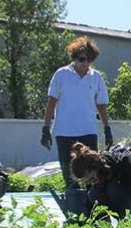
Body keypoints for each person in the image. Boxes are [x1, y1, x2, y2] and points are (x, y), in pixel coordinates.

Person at [42, 36, 112, 189]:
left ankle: (92, 208)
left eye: (89, 60)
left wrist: (107, 129)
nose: (85, 63)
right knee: (71, 179)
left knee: (93, 178)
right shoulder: (61, 75)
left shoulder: (96, 78)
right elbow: (51, 103)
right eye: (81, 59)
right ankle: (73, 207)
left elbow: (101, 105)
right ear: (74, 58)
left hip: (88, 132)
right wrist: (46, 129)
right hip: (65, 133)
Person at [69, 142, 131, 226]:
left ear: (96, 166)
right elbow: (90, 205)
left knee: (113, 189)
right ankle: (105, 226)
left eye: (92, 178)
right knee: (93, 194)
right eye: (89, 181)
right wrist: (91, 226)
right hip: (125, 201)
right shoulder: (94, 177)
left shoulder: (125, 163)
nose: (92, 182)